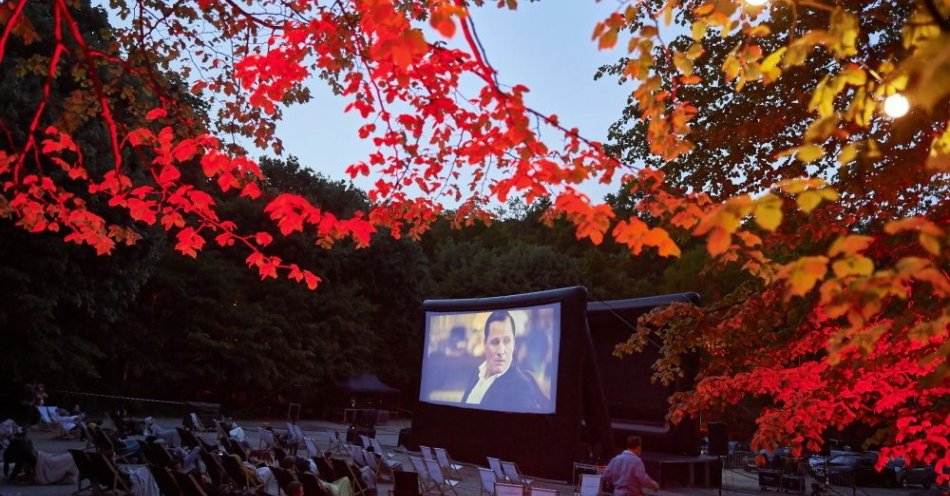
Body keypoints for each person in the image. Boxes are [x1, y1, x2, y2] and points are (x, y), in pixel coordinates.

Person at [459, 310, 549, 412]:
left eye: (507, 341)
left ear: (513, 343)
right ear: (485, 344)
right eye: (495, 342)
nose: (501, 351)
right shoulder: (477, 372)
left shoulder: (521, 387)